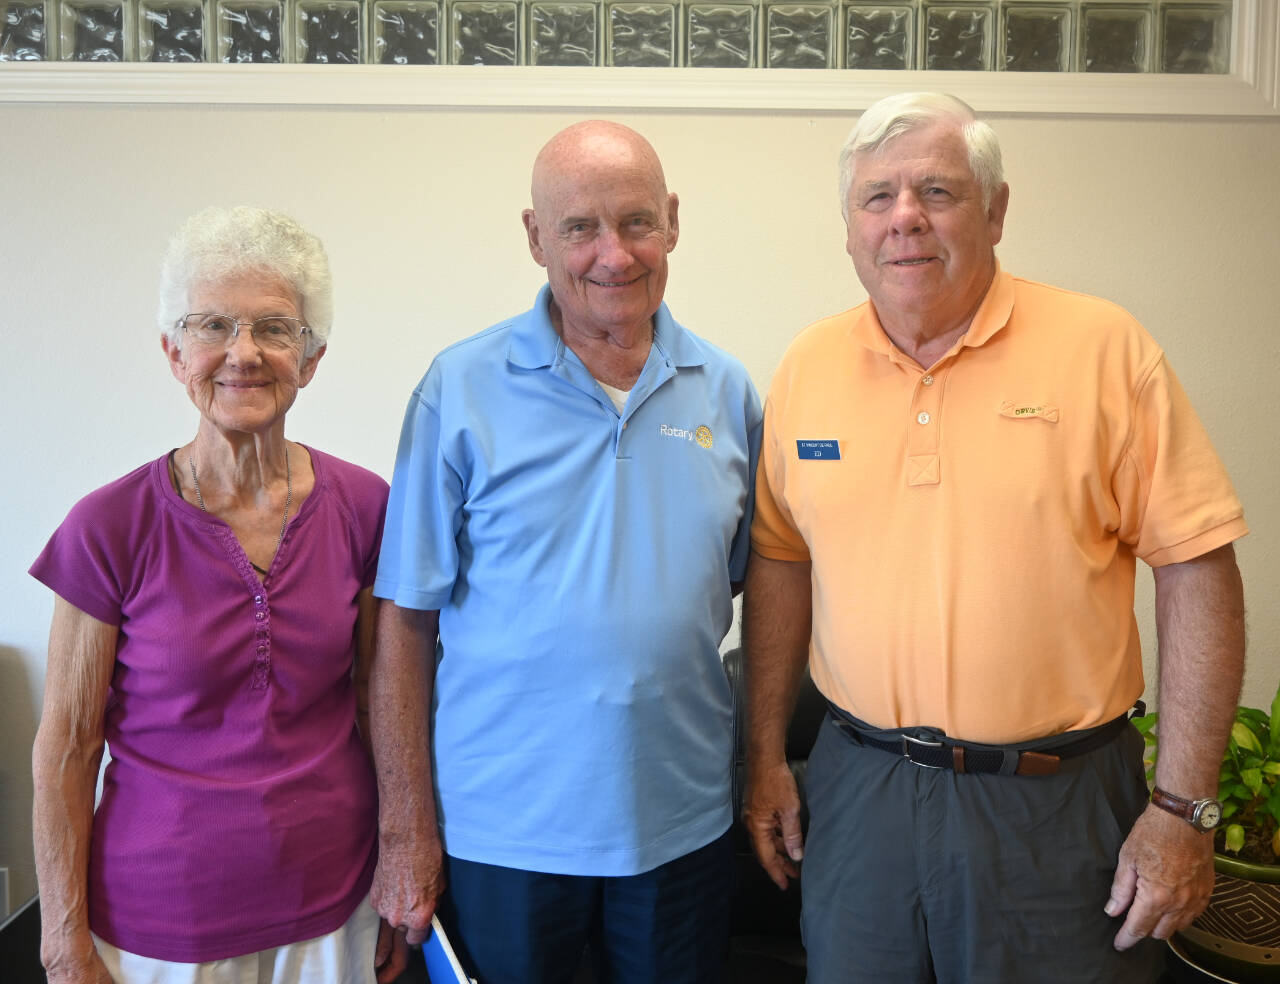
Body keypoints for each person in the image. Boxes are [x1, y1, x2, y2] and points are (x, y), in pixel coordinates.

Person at [742, 92, 1247, 984]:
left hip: (1059, 801)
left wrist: (1182, 809)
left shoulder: (1106, 351)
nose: (905, 218)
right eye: (878, 198)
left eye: (937, 191)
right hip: (863, 791)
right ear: (849, 228)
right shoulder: (807, 366)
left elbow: (1198, 567)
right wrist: (767, 760)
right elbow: (782, 562)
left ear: (996, 210)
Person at [368, 120, 762, 984]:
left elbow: (737, 588)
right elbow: (402, 622)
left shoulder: (729, 394)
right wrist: (405, 831)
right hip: (500, 835)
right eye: (580, 227)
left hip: (681, 830)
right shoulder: (458, 390)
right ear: (535, 236)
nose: (613, 254)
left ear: (673, 222)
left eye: (636, 222)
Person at [30, 206, 405, 984]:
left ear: (312, 358)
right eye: (212, 326)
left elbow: (385, 711)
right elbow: (67, 748)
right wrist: (64, 944)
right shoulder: (109, 526)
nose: (244, 354)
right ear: (174, 353)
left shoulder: (369, 508)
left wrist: (401, 869)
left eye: (275, 328)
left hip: (334, 907)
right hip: (156, 926)